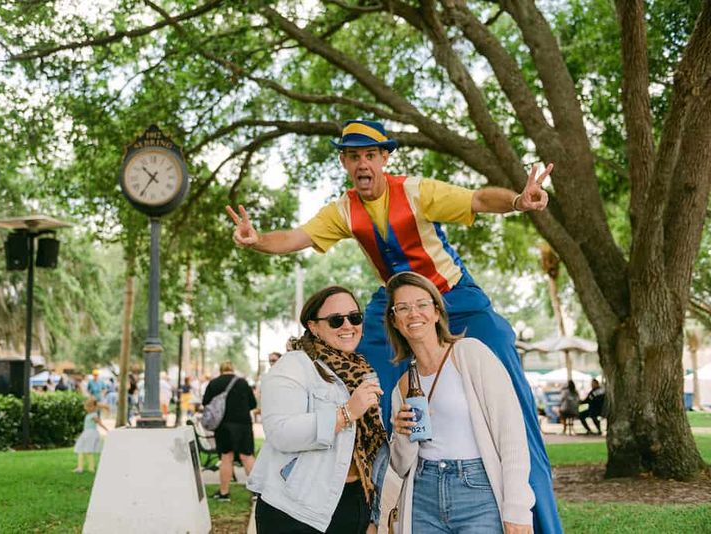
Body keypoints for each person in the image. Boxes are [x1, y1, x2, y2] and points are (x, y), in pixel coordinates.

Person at [226, 119, 561, 533]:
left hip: (453, 296)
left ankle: (539, 518)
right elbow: (296, 238)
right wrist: (256, 240)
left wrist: (517, 200)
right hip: (395, 301)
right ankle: (367, 508)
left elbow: (476, 200)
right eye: (353, 156)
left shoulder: (418, 192)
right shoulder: (344, 210)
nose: (362, 163)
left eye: (370, 154)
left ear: (385, 158)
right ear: (346, 163)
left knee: (508, 388)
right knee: (360, 385)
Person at [387, 272, 533, 534]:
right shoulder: (403, 386)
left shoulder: (470, 354)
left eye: (421, 305)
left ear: (435, 312)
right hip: (423, 493)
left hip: (477, 490)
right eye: (403, 308)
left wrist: (517, 508)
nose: (413, 313)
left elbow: (511, 437)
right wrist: (401, 433)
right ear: (394, 321)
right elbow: (399, 465)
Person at [247, 286, 387, 533]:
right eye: (336, 320)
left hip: (353, 502)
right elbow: (281, 432)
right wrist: (346, 413)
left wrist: (371, 513)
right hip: (296, 510)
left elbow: (372, 451)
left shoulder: (363, 370)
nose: (348, 326)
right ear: (313, 326)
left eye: (355, 317)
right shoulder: (295, 365)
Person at [203, 361, 258, 503]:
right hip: (243, 425)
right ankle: (257, 492)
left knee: (226, 457)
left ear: (221, 370)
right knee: (247, 456)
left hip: (223, 426)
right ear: (232, 369)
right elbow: (252, 404)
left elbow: (206, 403)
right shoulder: (242, 383)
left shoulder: (214, 383)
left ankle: (224, 493)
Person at [73, 397, 109, 473]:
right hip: (86, 433)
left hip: (90, 434)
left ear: (94, 407)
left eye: (90, 406)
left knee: (87, 451)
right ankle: (83, 467)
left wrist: (106, 430)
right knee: (82, 450)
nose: (88, 408)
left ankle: (87, 468)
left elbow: (99, 423)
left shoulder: (94, 415)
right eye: (87, 406)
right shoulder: (90, 415)